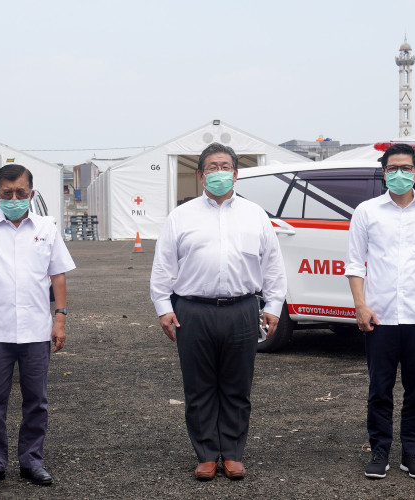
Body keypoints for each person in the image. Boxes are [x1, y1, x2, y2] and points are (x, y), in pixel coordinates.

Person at [150, 143, 286, 481]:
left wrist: (273, 306)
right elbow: (163, 266)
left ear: (236, 174)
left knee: (237, 386)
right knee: (199, 388)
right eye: (212, 167)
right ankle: (207, 454)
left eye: (225, 166)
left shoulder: (255, 215)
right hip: (192, 311)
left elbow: (273, 266)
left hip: (241, 308)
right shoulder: (181, 216)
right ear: (200, 175)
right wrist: (164, 308)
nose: (219, 173)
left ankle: (234, 454)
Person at [0, 164, 75, 490]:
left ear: (31, 194)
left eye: (20, 193)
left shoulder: (46, 228)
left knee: (36, 401)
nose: (13, 198)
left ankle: (31, 462)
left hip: (37, 331)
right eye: (7, 193)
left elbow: (58, 275)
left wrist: (61, 318)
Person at [346, 143, 415, 481]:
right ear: (384, 172)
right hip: (379, 317)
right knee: (379, 388)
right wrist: (361, 306)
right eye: (392, 168)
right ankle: (380, 451)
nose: (399, 174)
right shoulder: (366, 211)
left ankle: (412, 452)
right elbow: (354, 264)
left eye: (405, 168)